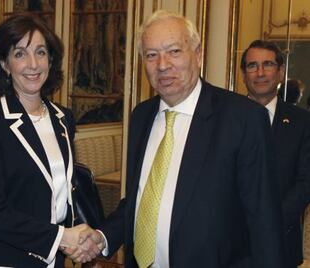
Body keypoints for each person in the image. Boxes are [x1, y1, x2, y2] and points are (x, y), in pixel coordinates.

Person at [76, 10, 285, 267]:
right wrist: (103, 237)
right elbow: (140, 200)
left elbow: (264, 220)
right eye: (151, 55)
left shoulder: (243, 118)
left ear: (197, 55)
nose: (162, 65)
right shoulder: (141, 116)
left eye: (174, 51)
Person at [0, 13, 99, 267]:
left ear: (51, 60)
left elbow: (61, 194)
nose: (33, 64)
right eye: (20, 54)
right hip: (0, 260)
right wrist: (61, 238)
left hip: (51, 260)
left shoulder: (64, 118)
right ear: (4, 64)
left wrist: (81, 239)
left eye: (40, 52)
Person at [240, 39, 310, 268]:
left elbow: (305, 182)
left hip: (281, 243)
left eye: (267, 64)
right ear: (243, 74)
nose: (260, 72)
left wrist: (268, 223)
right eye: (252, 66)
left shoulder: (302, 122)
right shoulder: (224, 118)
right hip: (230, 244)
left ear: (280, 72)